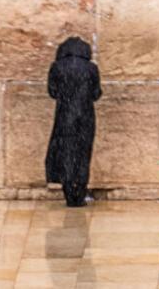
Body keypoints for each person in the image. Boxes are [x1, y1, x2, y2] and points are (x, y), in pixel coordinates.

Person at [45, 37, 102, 207]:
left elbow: (52, 92)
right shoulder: (91, 68)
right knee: (83, 154)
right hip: (86, 116)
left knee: (66, 153)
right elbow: (96, 93)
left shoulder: (57, 67)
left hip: (64, 116)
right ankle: (81, 193)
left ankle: (69, 193)